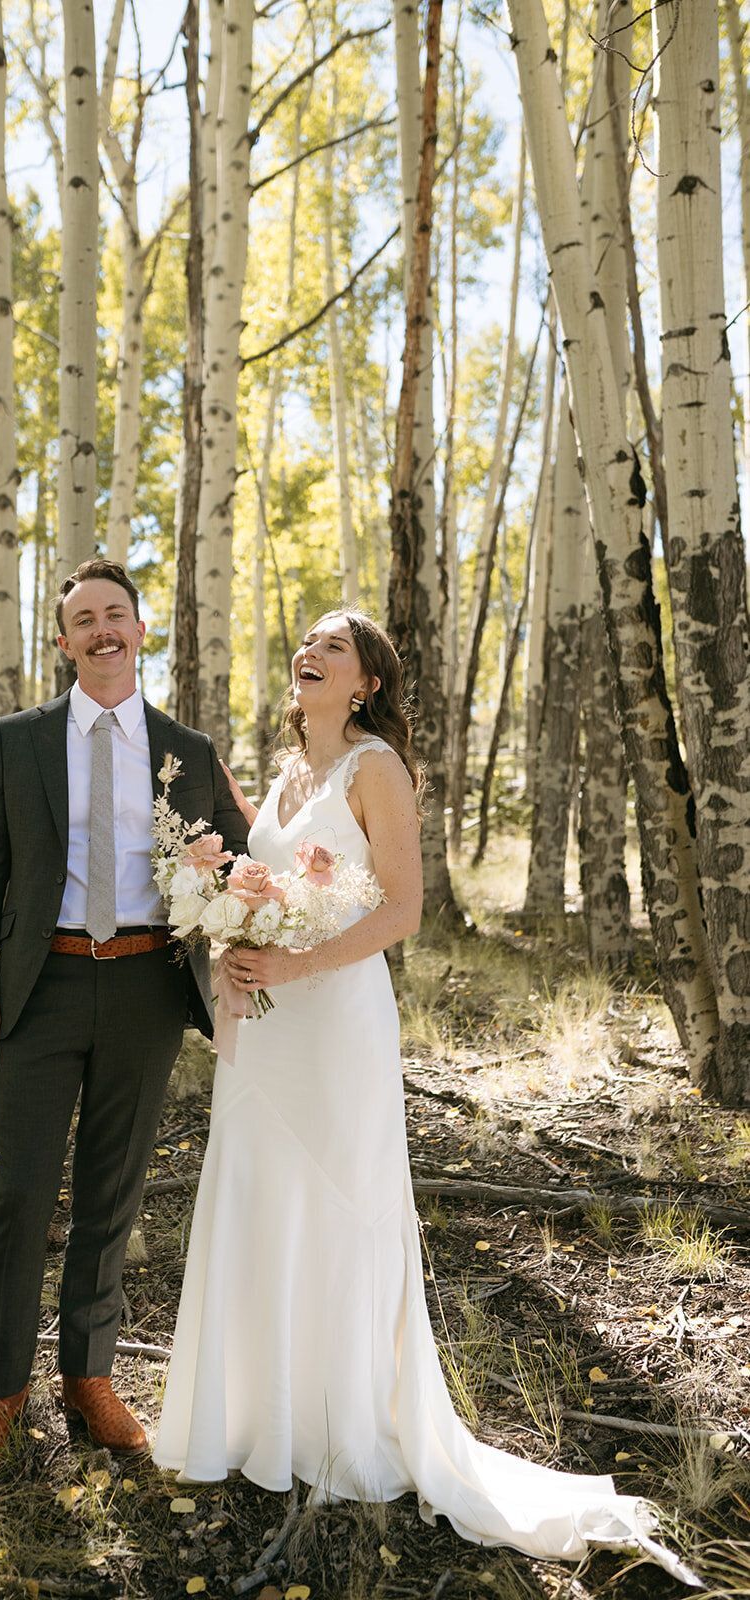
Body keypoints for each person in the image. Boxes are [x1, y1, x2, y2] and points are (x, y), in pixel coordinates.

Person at [153, 609, 695, 1583]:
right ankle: (256, 1419)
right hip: (264, 1029)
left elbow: (399, 907)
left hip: (335, 1020)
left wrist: (295, 959)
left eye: (332, 646)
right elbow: (260, 888)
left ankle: (341, 1421)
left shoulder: (374, 767)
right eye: (304, 640)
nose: (308, 652)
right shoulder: (280, 774)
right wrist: (234, 951)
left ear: (364, 682)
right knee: (262, 1197)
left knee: (337, 1201)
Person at [0, 558, 249, 1494]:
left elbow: (234, 864)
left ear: (141, 631)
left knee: (111, 1197)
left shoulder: (188, 750)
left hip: (145, 991)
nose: (102, 630)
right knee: (20, 1199)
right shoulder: (20, 738)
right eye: (84, 619)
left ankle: (90, 1379)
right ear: (65, 641)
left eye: (116, 614)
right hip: (43, 987)